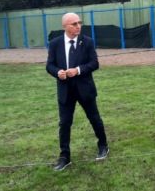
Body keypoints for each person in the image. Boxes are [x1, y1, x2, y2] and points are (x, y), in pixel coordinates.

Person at [46, 13, 108, 171]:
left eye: (79, 23)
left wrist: (78, 70)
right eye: (74, 24)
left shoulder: (87, 41)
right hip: (65, 90)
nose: (78, 26)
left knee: (94, 118)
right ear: (65, 26)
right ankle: (64, 157)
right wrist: (57, 72)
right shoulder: (55, 44)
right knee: (64, 123)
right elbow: (49, 65)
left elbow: (94, 63)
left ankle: (103, 146)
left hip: (85, 89)